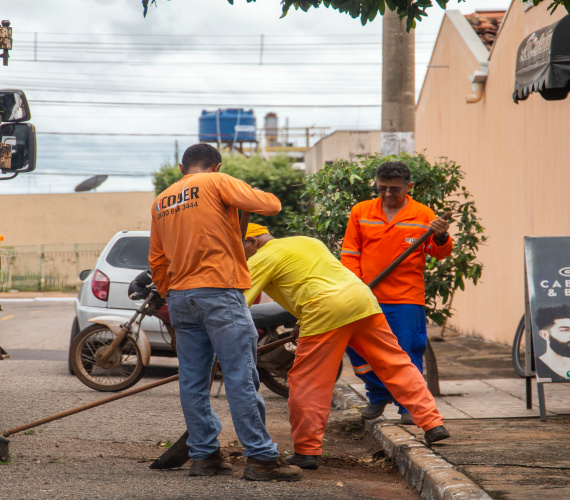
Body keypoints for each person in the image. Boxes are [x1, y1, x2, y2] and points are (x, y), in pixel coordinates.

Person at [148, 144, 302, 482]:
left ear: (181, 167)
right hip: (219, 291)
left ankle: (204, 457)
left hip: (180, 297)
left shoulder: (162, 200)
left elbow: (157, 259)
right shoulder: (218, 182)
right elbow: (271, 205)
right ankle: (261, 457)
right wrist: (240, 188)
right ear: (216, 166)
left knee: (192, 380)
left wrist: (170, 292)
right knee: (240, 375)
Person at [242, 223, 449, 470]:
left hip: (324, 310)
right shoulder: (307, 241)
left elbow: (236, 301)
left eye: (238, 247)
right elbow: (313, 279)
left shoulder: (260, 258)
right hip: (362, 300)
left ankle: (306, 450)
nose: (237, 255)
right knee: (395, 364)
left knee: (309, 381)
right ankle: (433, 423)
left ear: (253, 241)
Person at [339, 161, 452, 423]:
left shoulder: (423, 215)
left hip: (405, 298)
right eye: (382, 188)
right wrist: (356, 289)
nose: (388, 194)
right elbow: (350, 253)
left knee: (406, 353)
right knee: (359, 349)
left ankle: (408, 406)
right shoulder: (361, 211)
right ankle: (377, 395)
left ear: (408, 187)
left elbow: (440, 252)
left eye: (394, 189)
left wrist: (441, 236)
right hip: (366, 296)